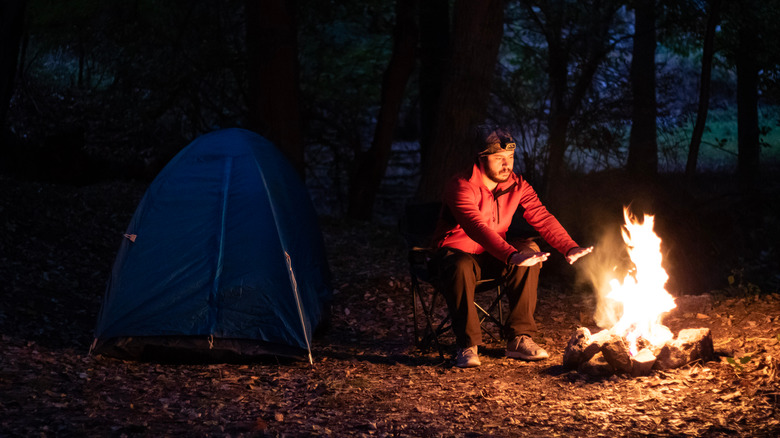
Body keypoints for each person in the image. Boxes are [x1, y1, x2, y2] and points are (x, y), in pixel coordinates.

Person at [430, 125, 592, 368]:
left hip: (492, 256)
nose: (507, 165)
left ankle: (519, 339)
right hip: (453, 256)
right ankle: (467, 345)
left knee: (530, 253)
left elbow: (542, 217)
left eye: (510, 158)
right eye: (498, 159)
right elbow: (476, 228)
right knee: (461, 265)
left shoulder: (517, 185)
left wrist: (568, 247)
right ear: (481, 158)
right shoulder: (461, 185)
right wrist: (510, 254)